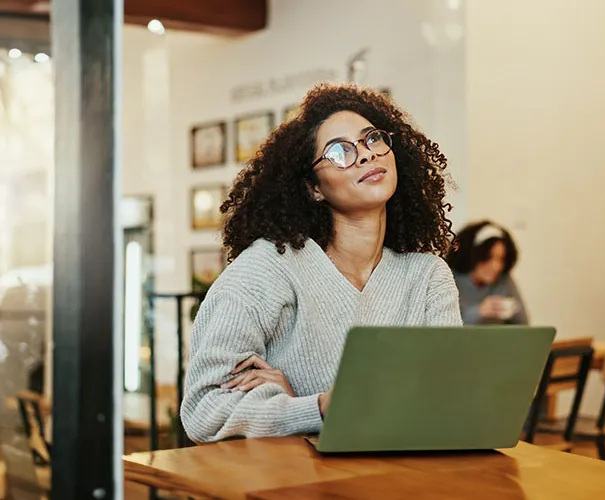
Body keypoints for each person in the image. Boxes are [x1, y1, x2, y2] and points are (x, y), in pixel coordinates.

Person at [180, 84, 461, 443]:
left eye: (372, 139)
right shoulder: (267, 269)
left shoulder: (428, 275)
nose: (365, 155)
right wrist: (318, 408)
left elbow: (446, 403)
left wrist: (299, 401)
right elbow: (204, 409)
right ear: (314, 187)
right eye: (339, 151)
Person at [445, 221, 529, 325]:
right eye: (488, 257)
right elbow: (446, 325)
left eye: (501, 259)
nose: (496, 267)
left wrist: (512, 311)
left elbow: (524, 324)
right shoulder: (451, 279)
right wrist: (479, 312)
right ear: (472, 255)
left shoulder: (504, 280)